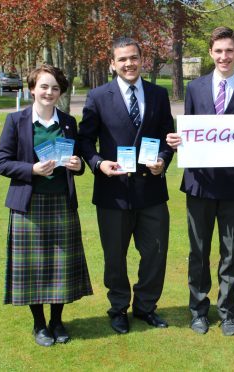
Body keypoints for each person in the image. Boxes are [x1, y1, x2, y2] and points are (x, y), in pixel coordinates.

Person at [166, 26, 234, 336]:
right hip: (199, 183)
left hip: (233, 186)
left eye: (229, 50)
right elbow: (191, 132)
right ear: (211, 53)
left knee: (231, 252)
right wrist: (178, 140)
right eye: (218, 51)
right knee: (198, 251)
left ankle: (228, 311)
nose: (224, 56)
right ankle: (198, 311)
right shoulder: (194, 88)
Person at [78, 37, 174, 335]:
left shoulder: (159, 94)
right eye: (122, 59)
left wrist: (162, 159)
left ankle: (145, 307)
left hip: (151, 192)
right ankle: (118, 307)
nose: (129, 64)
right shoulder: (97, 96)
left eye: (133, 58)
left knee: (155, 254)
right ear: (112, 64)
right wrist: (97, 163)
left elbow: (168, 138)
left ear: (142, 59)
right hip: (113, 191)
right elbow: (84, 140)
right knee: (114, 257)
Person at [0, 65, 93, 347]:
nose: (49, 92)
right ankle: (39, 324)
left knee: (60, 267)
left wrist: (77, 165)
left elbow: (75, 163)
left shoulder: (68, 122)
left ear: (60, 92)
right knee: (34, 269)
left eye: (54, 88)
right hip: (29, 206)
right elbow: (2, 162)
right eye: (43, 87)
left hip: (61, 203)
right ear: (32, 89)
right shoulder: (16, 121)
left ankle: (57, 321)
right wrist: (32, 169)